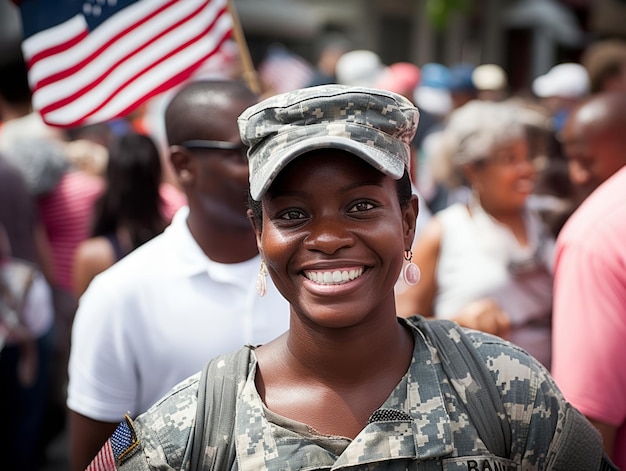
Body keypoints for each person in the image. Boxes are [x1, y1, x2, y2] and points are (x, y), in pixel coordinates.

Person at [87, 85, 613, 469]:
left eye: (360, 206)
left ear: (407, 221)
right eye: (293, 214)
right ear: (259, 232)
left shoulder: (503, 389)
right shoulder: (195, 427)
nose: (329, 237)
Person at [67, 79, 290, 470]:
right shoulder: (121, 294)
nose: (266, 166)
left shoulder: (313, 273)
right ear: (183, 164)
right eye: (243, 152)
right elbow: (101, 449)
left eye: (270, 146)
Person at [396, 100, 554, 369]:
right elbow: (397, 322)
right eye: (509, 159)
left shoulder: (548, 220)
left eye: (527, 157)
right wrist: (458, 323)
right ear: (472, 170)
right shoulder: (446, 231)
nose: (526, 169)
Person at [552, 92, 626, 466]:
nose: (577, 175)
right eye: (571, 160)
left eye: (587, 159)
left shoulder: (595, 237)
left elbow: (589, 421)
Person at [72, 132, 172, 298]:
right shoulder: (176, 243)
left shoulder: (93, 256)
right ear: (158, 175)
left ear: (109, 176)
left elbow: (86, 319)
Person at [0, 222, 54, 471]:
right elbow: (41, 324)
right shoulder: (28, 277)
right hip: (24, 354)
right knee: (25, 420)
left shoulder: (25, 277)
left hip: (19, 353)